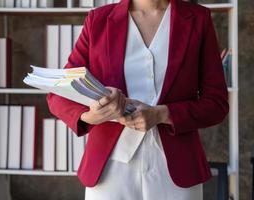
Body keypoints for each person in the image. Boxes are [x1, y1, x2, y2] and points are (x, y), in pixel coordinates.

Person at [46, 0, 229, 199]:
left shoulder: (198, 19)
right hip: (109, 169)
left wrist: (162, 114)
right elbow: (58, 94)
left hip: (177, 170)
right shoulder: (98, 20)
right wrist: (91, 116)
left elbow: (216, 103)